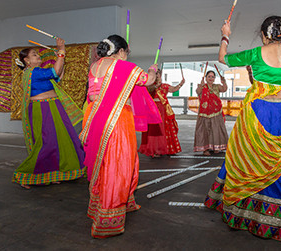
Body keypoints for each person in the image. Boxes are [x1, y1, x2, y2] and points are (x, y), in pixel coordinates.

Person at [204, 16, 281, 248]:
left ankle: (247, 210)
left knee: (248, 156)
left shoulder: (256, 53)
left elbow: (222, 58)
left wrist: (225, 34)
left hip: (260, 113)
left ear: (264, 34)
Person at [80, 35, 161, 238]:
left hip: (94, 118)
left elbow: (93, 95)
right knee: (118, 165)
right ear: (122, 51)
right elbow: (148, 81)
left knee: (102, 162)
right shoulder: (123, 67)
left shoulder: (94, 66)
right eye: (127, 52)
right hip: (116, 121)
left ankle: (103, 205)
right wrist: (153, 70)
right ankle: (108, 218)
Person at [12, 38, 85, 189]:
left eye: (37, 53)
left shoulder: (37, 73)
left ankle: (52, 172)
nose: (37, 55)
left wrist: (60, 56)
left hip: (52, 107)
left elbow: (57, 76)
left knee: (59, 141)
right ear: (26, 60)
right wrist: (61, 51)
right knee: (47, 143)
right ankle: (24, 175)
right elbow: (55, 71)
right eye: (33, 54)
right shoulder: (32, 72)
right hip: (43, 109)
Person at [138, 69, 184, 157]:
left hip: (163, 109)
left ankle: (167, 149)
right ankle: (156, 149)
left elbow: (174, 89)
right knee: (155, 129)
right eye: (155, 74)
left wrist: (181, 84)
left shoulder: (164, 86)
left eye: (158, 74)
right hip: (153, 109)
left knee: (166, 128)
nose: (157, 75)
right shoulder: (149, 86)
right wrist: (156, 86)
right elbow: (149, 91)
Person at [194, 70, 229, 156]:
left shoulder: (217, 86)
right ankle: (205, 149)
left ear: (214, 78)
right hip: (204, 113)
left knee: (216, 130)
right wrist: (201, 85)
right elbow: (198, 92)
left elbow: (224, 89)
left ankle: (216, 147)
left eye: (212, 77)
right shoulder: (202, 86)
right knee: (205, 131)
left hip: (216, 112)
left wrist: (224, 82)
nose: (211, 78)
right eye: (209, 76)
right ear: (205, 78)